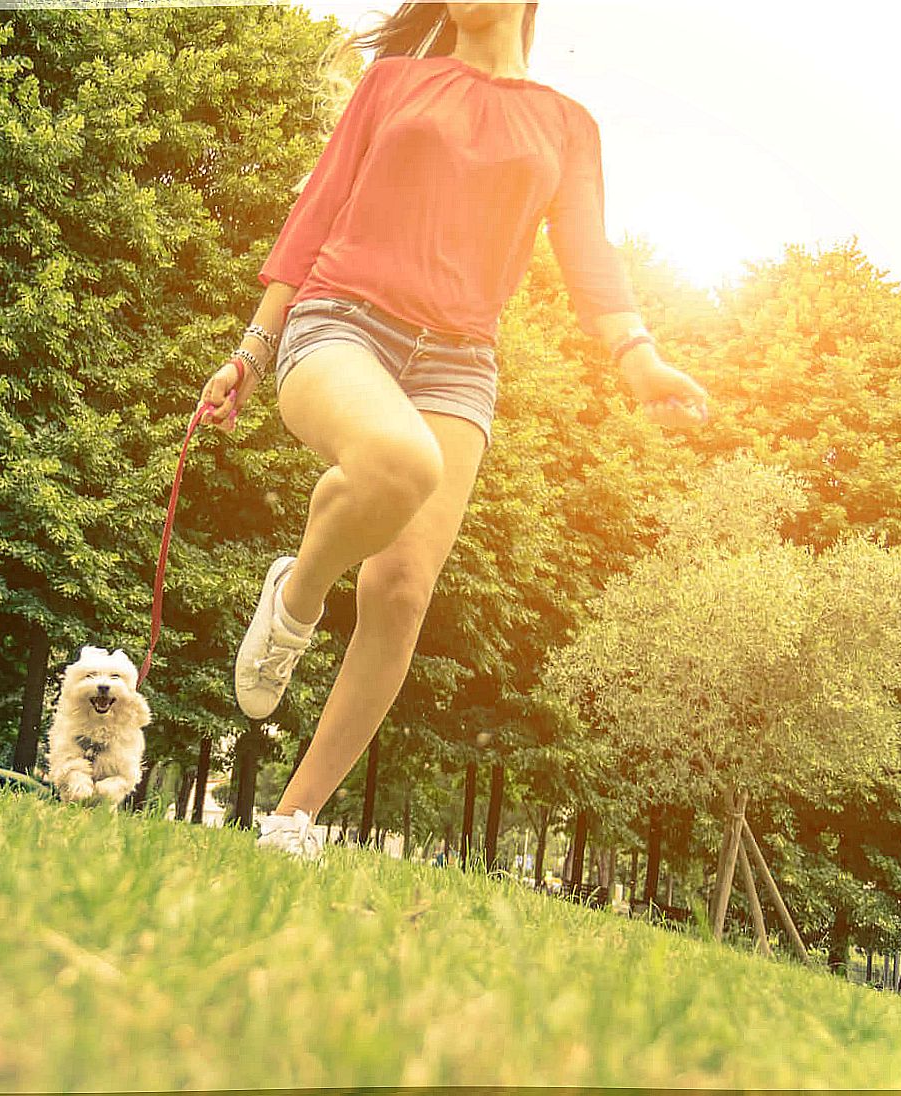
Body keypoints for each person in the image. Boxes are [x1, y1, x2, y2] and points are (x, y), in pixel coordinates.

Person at [199, 2, 708, 860]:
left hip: (459, 364)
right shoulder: (394, 81)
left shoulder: (565, 124)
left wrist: (639, 357)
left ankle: (291, 822)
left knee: (401, 590)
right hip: (339, 324)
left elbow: (587, 251)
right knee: (400, 462)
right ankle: (299, 598)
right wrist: (251, 348)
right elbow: (315, 212)